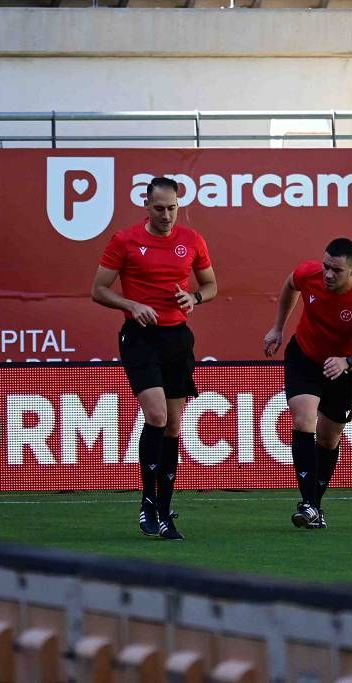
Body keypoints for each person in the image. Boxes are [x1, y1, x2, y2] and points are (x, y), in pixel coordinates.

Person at [91, 177, 217, 541]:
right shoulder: (125, 240)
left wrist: (195, 298)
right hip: (140, 337)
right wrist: (131, 304)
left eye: (172, 208)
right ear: (146, 205)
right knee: (157, 416)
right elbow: (98, 290)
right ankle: (149, 503)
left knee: (174, 427)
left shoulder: (192, 240)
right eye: (159, 208)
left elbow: (210, 285)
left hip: (177, 338)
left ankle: (163, 507)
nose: (166, 215)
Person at [263, 238, 352, 529]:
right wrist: (278, 327)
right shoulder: (309, 274)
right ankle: (307, 504)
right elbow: (290, 284)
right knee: (304, 419)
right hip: (304, 356)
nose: (328, 274)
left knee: (328, 439)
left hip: (342, 368)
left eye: (337, 270)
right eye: (326, 267)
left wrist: (348, 362)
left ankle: (314, 505)